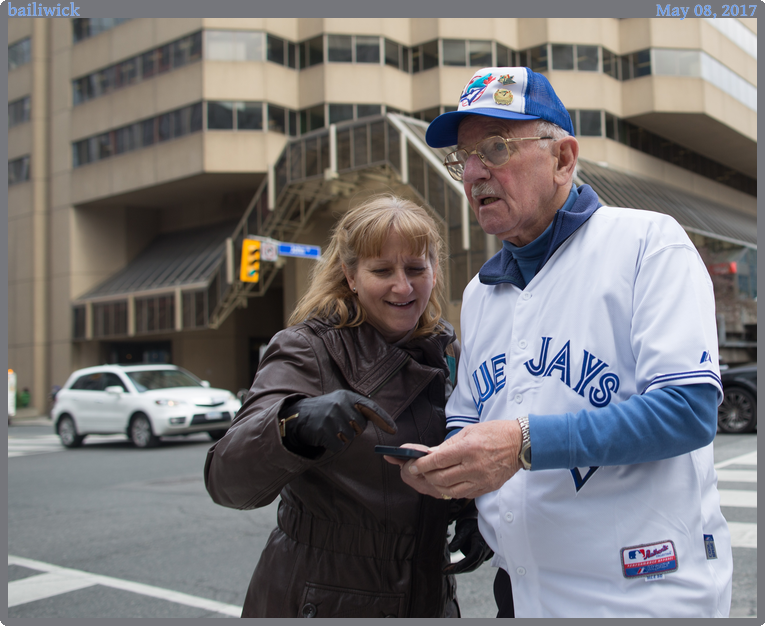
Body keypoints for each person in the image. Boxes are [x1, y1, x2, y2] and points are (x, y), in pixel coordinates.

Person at [386, 67, 732, 618]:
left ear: (563, 158)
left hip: (644, 594)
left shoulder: (647, 243)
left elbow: (687, 411)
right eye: (463, 157)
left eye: (495, 148)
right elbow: (470, 416)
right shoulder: (480, 292)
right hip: (522, 593)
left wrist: (522, 443)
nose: (473, 172)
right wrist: (445, 464)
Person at [204, 194, 491, 618]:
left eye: (416, 268)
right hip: (323, 595)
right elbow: (224, 477)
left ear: (435, 272)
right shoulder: (308, 348)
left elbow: (456, 447)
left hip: (429, 595)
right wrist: (293, 424)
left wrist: (473, 512)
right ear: (350, 275)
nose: (403, 286)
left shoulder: (445, 349)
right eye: (381, 270)